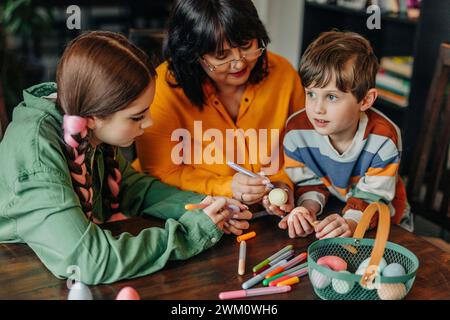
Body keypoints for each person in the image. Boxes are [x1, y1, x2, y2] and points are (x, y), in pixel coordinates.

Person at [0, 31, 251, 285]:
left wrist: (206, 206)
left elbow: (132, 187)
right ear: (95, 117)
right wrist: (190, 233)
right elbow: (88, 261)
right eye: (137, 116)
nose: (150, 122)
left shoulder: (84, 118)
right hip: (21, 272)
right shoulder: (37, 157)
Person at [134, 0, 304, 211]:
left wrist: (281, 185)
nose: (239, 63)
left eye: (246, 45)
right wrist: (227, 187)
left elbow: (302, 152)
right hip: (189, 210)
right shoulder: (162, 88)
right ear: (193, 54)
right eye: (221, 55)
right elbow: (161, 172)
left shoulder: (284, 75)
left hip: (267, 216)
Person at [268, 31, 412, 239]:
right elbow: (310, 183)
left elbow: (373, 198)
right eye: (311, 94)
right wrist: (307, 209)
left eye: (332, 97)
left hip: (386, 224)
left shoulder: (383, 138)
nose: (317, 108)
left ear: (365, 100)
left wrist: (351, 223)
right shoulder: (296, 131)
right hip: (335, 211)